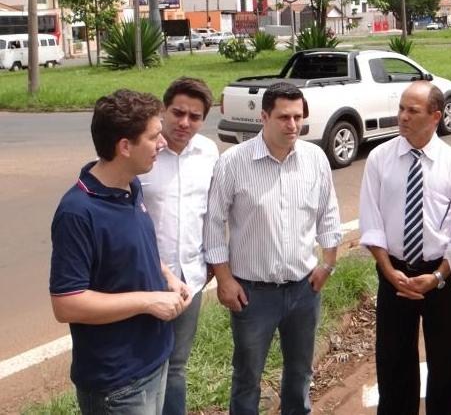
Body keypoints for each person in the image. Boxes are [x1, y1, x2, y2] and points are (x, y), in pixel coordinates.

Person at [50, 89, 191, 415]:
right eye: (154, 137)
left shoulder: (131, 185)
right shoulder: (77, 212)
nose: (164, 143)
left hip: (154, 358)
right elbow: (66, 303)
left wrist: (165, 273)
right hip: (118, 383)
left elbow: (132, 248)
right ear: (124, 146)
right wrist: (148, 300)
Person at [204, 82, 342, 415]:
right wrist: (224, 280)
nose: (292, 125)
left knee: (300, 371)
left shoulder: (315, 159)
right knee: (248, 375)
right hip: (252, 294)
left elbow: (329, 213)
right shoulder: (233, 163)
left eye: (298, 117)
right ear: (264, 116)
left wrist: (328, 263)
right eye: (283, 117)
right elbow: (212, 224)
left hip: (303, 289)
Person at [359, 82, 451, 415]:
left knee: (448, 364)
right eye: (401, 108)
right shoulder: (380, 159)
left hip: (443, 277)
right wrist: (388, 271)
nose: (403, 117)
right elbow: (372, 221)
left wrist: (438, 276)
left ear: (435, 116)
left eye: (412, 111)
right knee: (393, 363)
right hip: (394, 273)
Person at [139, 77, 219, 415]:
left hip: (191, 279)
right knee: (141, 366)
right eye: (178, 113)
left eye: (195, 116)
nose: (185, 123)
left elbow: (214, 214)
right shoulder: (142, 152)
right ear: (163, 110)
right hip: (143, 278)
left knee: (177, 364)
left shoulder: (209, 152)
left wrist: (215, 263)